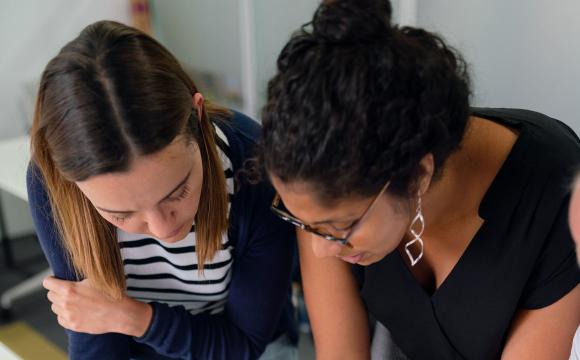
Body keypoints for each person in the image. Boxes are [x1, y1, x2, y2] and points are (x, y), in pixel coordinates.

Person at [257, 0, 580, 358]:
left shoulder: (555, 194)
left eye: (340, 227)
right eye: (304, 222)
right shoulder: (321, 192)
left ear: (417, 175)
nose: (323, 249)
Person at [27, 20, 297, 360]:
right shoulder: (52, 184)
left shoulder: (253, 165)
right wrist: (122, 322)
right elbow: (95, 331)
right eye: (121, 213)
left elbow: (244, 343)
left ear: (197, 116)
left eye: (177, 192)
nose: (163, 229)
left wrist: (133, 318)